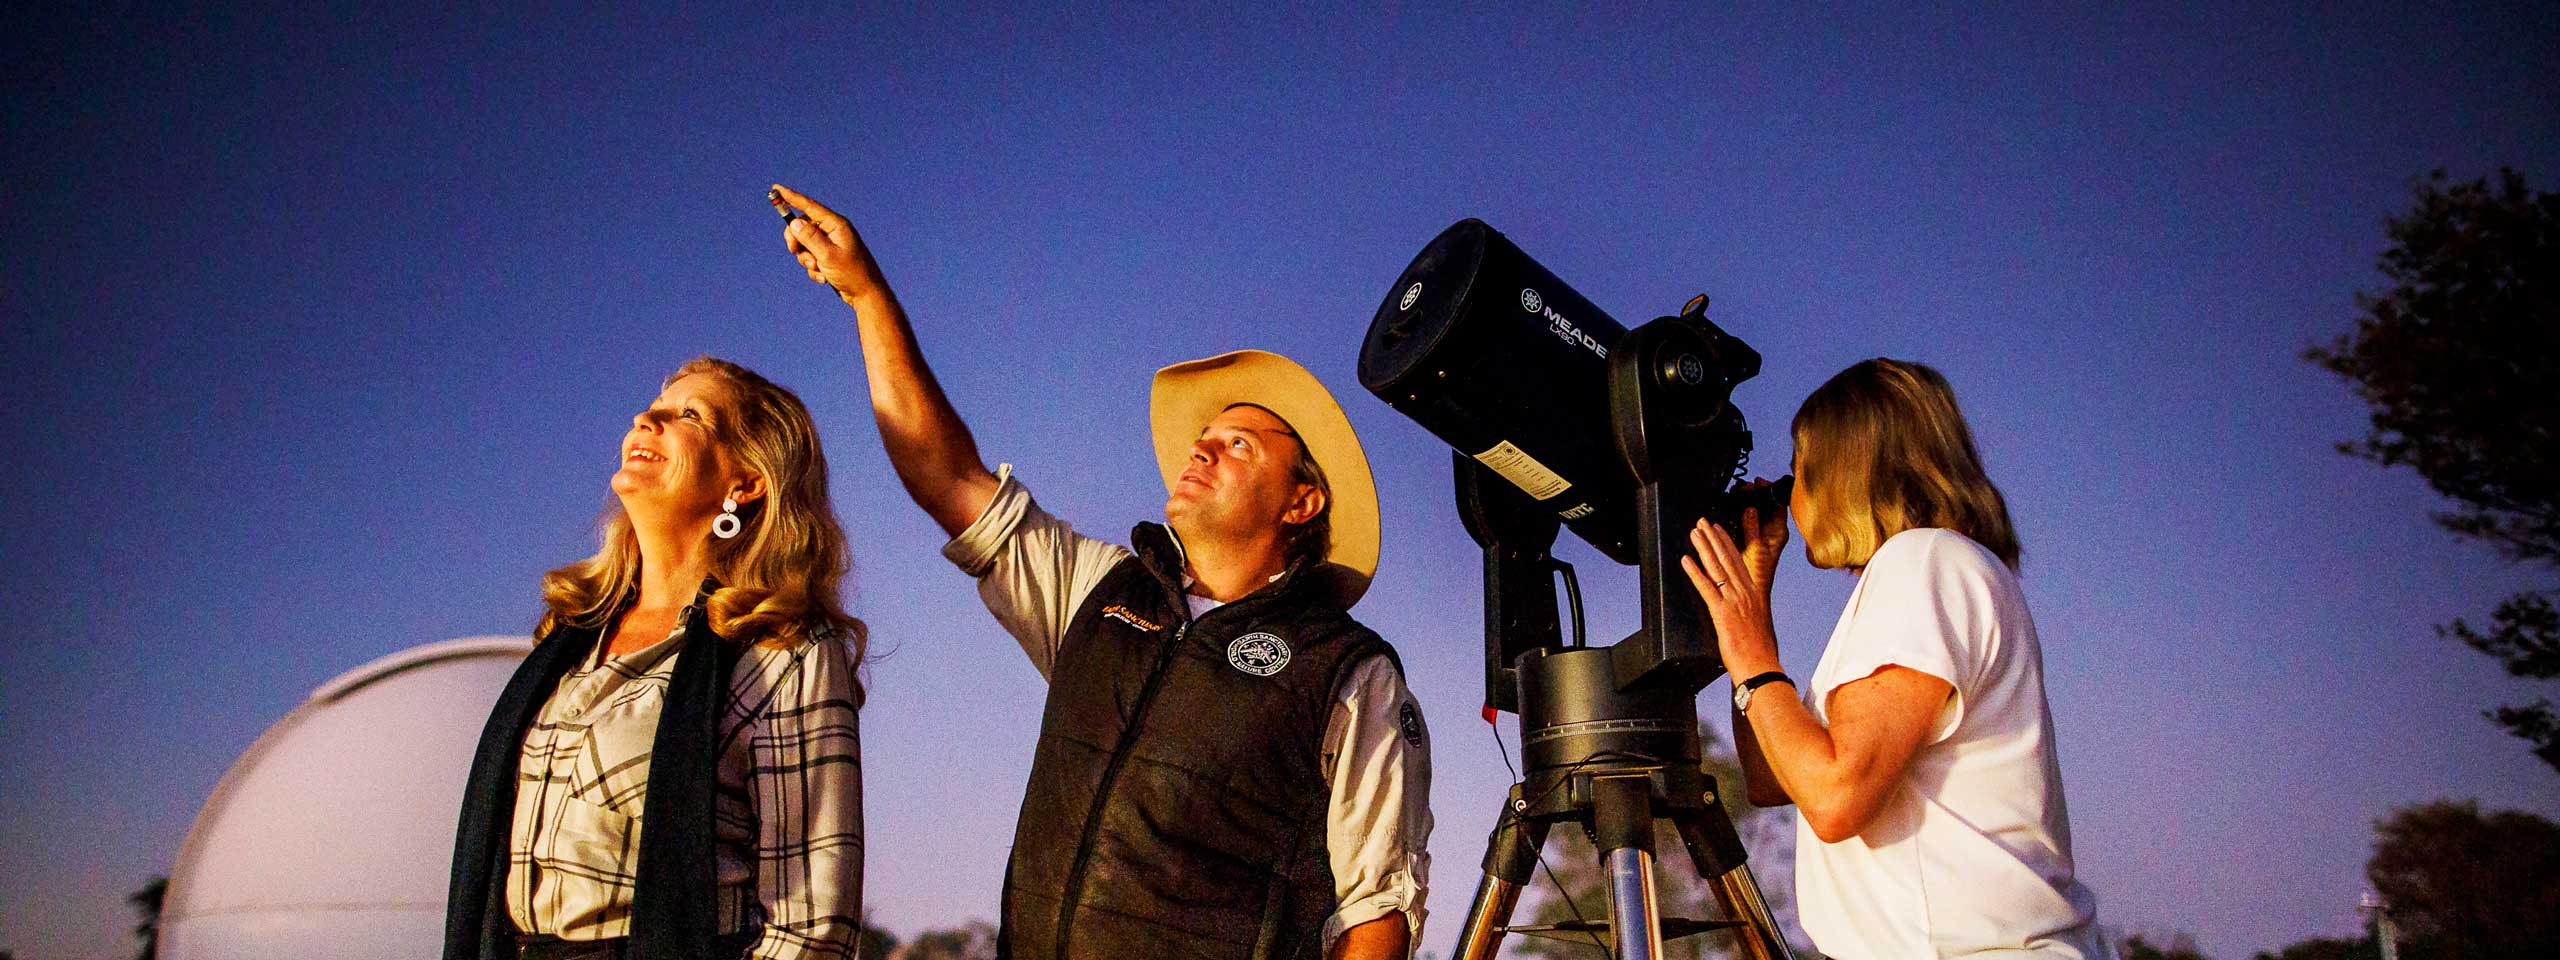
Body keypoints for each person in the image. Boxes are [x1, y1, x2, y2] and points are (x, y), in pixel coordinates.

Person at [769, 184, 1431, 960]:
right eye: (1205, 435)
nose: (1202, 448)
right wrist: (867, 296)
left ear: (1302, 503)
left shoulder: (1349, 671)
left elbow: (1377, 911)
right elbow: (946, 476)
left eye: (1241, 444)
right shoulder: (1099, 591)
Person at [1684, 358, 2111, 959]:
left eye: (1799, 475)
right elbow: (1776, 780)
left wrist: (1751, 654)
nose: (1793, 497)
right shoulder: (1933, 571)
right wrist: (1753, 615)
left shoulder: (1923, 562)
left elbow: (1834, 800)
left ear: (1843, 477)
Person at [445, 357, 867, 960]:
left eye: (687, 415)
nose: (646, 418)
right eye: (651, 409)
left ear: (744, 483)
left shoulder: (783, 651)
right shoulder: (567, 640)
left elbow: (812, 928)